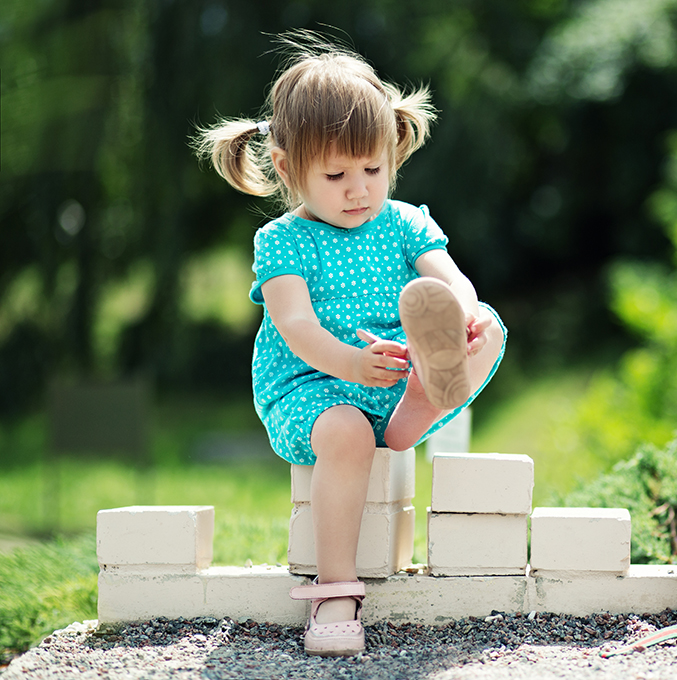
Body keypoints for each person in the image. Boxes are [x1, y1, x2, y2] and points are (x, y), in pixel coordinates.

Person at [193, 33, 506, 657]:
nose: (360, 189)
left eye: (374, 169)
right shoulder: (282, 242)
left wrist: (463, 315)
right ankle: (336, 590)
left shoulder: (406, 220)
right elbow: (297, 328)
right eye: (336, 175)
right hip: (311, 385)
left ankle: (417, 407)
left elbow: (449, 280)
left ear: (392, 153)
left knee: (492, 328)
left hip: (396, 369)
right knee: (347, 432)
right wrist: (350, 366)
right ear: (287, 168)